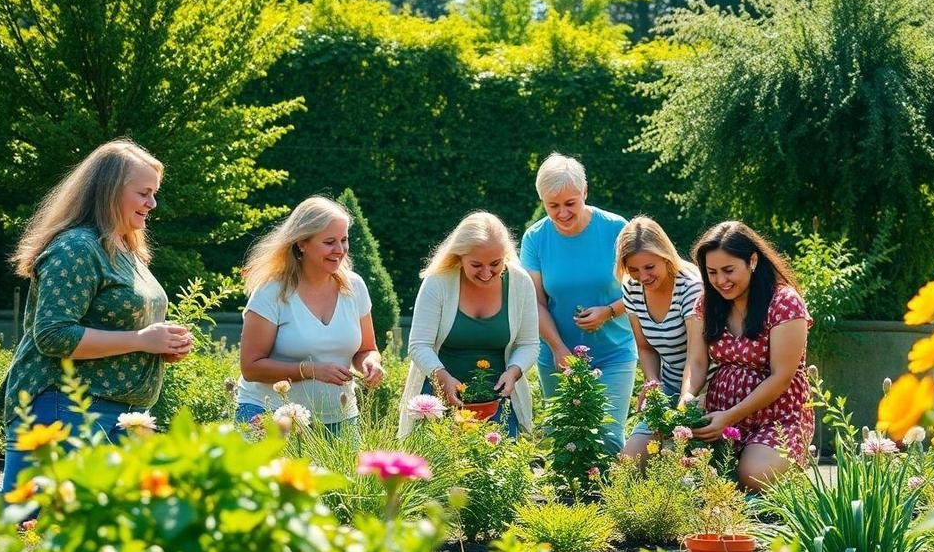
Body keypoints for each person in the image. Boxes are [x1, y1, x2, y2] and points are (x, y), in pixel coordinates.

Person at [0, 139, 193, 548]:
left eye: (154, 193)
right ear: (108, 190)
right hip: (63, 402)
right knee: (29, 503)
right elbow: (53, 334)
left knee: (92, 512)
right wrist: (142, 339)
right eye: (143, 193)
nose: (152, 204)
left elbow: (121, 332)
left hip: (114, 409)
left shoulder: (124, 250)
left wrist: (159, 345)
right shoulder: (76, 248)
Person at [236, 196, 384, 435]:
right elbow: (251, 367)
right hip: (271, 415)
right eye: (329, 242)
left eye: (344, 240)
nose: (340, 250)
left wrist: (371, 363)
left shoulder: (355, 287)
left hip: (341, 419)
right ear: (301, 243)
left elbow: (367, 348)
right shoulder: (271, 292)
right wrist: (310, 370)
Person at [520, 153, 635, 454]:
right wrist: (558, 348)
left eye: (570, 203)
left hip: (614, 353)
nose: (562, 213)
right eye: (552, 205)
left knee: (608, 437)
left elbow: (641, 287)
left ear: (585, 192)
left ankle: (609, 499)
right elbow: (536, 303)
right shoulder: (535, 238)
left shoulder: (615, 229)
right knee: (564, 441)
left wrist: (609, 311)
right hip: (559, 356)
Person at [690, 221, 815, 492]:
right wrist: (686, 399)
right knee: (688, 474)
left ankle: (791, 472)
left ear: (753, 261)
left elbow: (782, 377)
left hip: (779, 416)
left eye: (728, 270)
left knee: (754, 476)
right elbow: (698, 362)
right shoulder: (707, 303)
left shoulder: (784, 302)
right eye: (712, 272)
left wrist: (731, 416)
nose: (721, 281)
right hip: (719, 414)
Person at [398, 212, 539, 438]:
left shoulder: (520, 283)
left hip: (496, 401)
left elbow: (529, 343)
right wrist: (441, 378)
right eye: (476, 265)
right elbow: (418, 345)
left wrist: (514, 372)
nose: (486, 274)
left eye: (495, 263)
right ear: (460, 258)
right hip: (440, 399)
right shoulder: (438, 282)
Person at [615, 217, 708, 461]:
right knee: (630, 461)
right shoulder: (631, 287)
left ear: (665, 257)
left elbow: (696, 357)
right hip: (668, 382)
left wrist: (686, 399)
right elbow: (645, 348)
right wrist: (653, 384)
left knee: (693, 460)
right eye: (633, 269)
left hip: (706, 384)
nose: (642, 276)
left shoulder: (691, 285)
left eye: (649, 267)